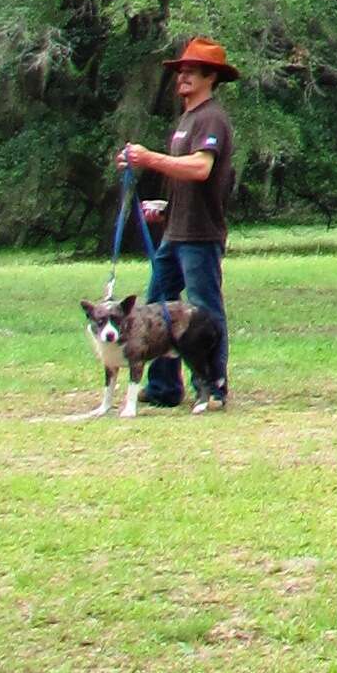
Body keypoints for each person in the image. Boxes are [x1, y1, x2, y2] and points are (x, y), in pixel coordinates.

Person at [116, 38, 237, 412]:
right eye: (179, 71)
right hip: (176, 231)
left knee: (204, 310)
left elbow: (202, 168)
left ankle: (214, 385)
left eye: (190, 70)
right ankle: (165, 388)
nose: (181, 76)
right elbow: (188, 175)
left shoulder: (211, 117)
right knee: (156, 310)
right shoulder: (187, 119)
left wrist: (149, 158)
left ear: (210, 76)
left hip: (200, 234)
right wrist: (166, 207)